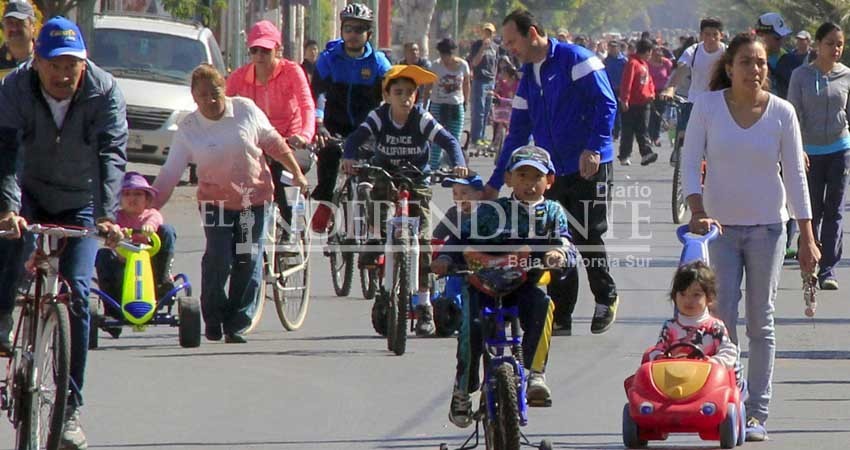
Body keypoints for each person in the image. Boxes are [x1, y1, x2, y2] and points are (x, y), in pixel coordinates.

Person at [681, 33, 820, 442]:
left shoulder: (782, 113)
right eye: (746, 62)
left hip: (768, 229)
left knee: (761, 320)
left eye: (760, 63)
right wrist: (697, 210)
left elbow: (795, 175)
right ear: (729, 67)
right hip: (719, 229)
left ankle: (757, 411)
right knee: (723, 320)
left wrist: (807, 236)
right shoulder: (707, 107)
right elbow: (690, 161)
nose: (755, 69)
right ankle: (729, 401)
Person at [0, 16, 127, 449]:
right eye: (54, 63)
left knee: (76, 291)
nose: (63, 73)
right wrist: (10, 209)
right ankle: (3, 320)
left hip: (84, 200)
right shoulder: (15, 88)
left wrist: (108, 216)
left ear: (84, 64)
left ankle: (69, 408)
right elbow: (6, 152)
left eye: (72, 63)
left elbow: (112, 153)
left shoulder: (105, 91)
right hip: (29, 191)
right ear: (36, 62)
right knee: (11, 247)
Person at [152, 64, 308, 344]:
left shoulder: (245, 110)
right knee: (219, 257)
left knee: (246, 258)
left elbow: (273, 142)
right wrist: (150, 206)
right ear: (194, 97)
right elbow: (170, 173)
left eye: (215, 94)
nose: (210, 101)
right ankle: (213, 317)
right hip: (215, 202)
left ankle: (236, 322)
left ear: (224, 89)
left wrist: (295, 171)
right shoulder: (189, 129)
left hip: (254, 199)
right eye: (202, 96)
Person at [491, 9, 619, 336]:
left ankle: (605, 296)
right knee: (557, 238)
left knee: (587, 233)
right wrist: (495, 182)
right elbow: (517, 133)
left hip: (589, 163)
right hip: (553, 170)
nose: (510, 49)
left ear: (532, 33)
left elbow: (606, 104)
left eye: (512, 41)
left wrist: (593, 147)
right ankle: (561, 313)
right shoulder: (528, 76)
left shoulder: (575, 59)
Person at [432, 146, 575, 425]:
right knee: (471, 327)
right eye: (522, 175)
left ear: (550, 181)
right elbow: (460, 240)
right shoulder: (491, 211)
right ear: (509, 179)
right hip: (482, 285)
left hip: (522, 285)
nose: (529, 184)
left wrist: (558, 255)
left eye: (536, 177)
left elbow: (565, 242)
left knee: (543, 305)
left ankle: (535, 374)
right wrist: (446, 258)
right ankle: (464, 389)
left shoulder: (553, 213)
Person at [341, 64, 467, 336]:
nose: (405, 98)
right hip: (385, 175)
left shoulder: (421, 118)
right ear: (387, 95)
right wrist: (348, 157)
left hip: (416, 180)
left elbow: (449, 141)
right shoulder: (379, 116)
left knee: (421, 243)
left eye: (410, 93)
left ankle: (423, 306)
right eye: (398, 92)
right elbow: (355, 139)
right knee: (378, 207)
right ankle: (375, 241)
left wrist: (458, 163)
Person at [225, 20, 315, 244]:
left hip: (291, 142)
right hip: (257, 144)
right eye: (254, 50)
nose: (259, 56)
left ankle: (288, 228)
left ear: (278, 50)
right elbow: (222, 108)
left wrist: (304, 135)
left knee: (280, 175)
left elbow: (306, 105)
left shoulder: (292, 71)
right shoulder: (239, 77)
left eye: (265, 50)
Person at [309, 3, 391, 233]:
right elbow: (319, 94)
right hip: (335, 124)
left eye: (359, 29)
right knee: (329, 155)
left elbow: (389, 95)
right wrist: (319, 124)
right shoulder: (328, 59)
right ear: (342, 31)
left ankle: (378, 224)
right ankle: (326, 204)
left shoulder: (378, 62)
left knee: (376, 169)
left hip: (367, 127)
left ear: (369, 34)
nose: (353, 34)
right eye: (348, 29)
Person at [788, 22, 850, 291]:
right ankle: (808, 263)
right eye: (830, 43)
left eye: (840, 44)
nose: (836, 49)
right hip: (809, 152)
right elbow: (792, 115)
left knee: (835, 210)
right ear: (817, 45)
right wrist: (794, 149)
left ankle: (828, 269)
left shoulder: (846, 75)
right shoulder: (801, 76)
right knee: (811, 210)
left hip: (840, 148)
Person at [94, 172, 178, 317]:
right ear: (119, 199)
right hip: (123, 265)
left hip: (151, 266)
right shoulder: (117, 218)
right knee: (103, 255)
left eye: (138, 194)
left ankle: (163, 281)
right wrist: (113, 230)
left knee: (168, 230)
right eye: (127, 194)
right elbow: (106, 227)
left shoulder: (151, 214)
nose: (132, 198)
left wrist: (149, 227)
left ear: (147, 199)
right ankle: (111, 307)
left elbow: (155, 221)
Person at [645, 261, 738, 368]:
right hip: (674, 377)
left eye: (696, 295)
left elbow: (729, 352)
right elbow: (658, 349)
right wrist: (660, 357)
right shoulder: (670, 327)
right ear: (674, 296)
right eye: (683, 294)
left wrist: (712, 362)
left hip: (707, 380)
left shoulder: (715, 327)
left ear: (709, 298)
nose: (688, 300)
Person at [661, 18, 725, 137]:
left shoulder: (727, 53)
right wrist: (671, 89)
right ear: (701, 36)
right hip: (696, 101)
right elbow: (682, 70)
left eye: (715, 35)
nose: (711, 39)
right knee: (684, 135)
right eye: (707, 34)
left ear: (721, 35)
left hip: (720, 102)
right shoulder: (693, 51)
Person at [427, 38, 470, 171]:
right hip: (437, 105)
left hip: (456, 105)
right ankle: (433, 168)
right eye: (442, 55)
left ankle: (456, 167)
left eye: (447, 54)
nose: (445, 58)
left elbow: (466, 83)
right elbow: (429, 85)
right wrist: (425, 103)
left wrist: (465, 102)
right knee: (436, 137)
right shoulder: (435, 66)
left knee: (454, 139)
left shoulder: (463, 65)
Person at [618, 39, 658, 166]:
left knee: (643, 130)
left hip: (644, 102)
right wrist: (624, 99)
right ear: (646, 51)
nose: (650, 56)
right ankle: (624, 155)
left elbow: (649, 81)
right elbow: (626, 82)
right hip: (632, 103)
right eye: (650, 52)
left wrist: (652, 93)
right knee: (628, 131)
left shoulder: (644, 64)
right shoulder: (633, 63)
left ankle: (646, 154)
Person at [467, 22, 500, 149]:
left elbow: (496, 64)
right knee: (479, 111)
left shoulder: (495, 47)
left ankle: (482, 136)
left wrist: (496, 80)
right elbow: (474, 62)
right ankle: (476, 138)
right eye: (485, 31)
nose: (487, 34)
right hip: (480, 80)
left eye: (490, 32)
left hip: (490, 81)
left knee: (487, 111)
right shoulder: (477, 45)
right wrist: (482, 48)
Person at [755, 12, 793, 97]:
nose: (781, 42)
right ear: (761, 35)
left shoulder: (790, 60)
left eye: (783, 38)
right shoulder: (748, 60)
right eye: (777, 38)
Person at [490, 56, 519, 161]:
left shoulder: (517, 84)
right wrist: (493, 94)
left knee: (511, 130)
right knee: (498, 125)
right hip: (503, 109)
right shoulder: (502, 83)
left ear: (510, 75)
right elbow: (496, 92)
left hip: (512, 108)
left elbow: (517, 97)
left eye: (504, 74)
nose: (502, 76)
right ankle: (497, 144)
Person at [775, 30, 816, 99]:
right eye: (798, 39)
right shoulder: (787, 57)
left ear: (809, 41)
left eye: (802, 40)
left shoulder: (813, 57)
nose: (799, 42)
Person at [0, 0, 35, 78]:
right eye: (9, 22)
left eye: (20, 22)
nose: (14, 28)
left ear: (32, 26)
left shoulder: (46, 58)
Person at [648, 45, 673, 146]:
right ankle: (650, 136)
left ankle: (656, 136)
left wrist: (670, 90)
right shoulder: (647, 63)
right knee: (650, 115)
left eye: (659, 54)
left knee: (659, 114)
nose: (657, 56)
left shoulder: (666, 63)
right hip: (650, 92)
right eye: (655, 54)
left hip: (663, 92)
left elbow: (672, 76)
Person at [604, 40, 627, 140]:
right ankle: (611, 130)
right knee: (610, 110)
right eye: (610, 47)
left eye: (614, 47)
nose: (612, 49)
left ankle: (617, 131)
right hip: (609, 88)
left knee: (619, 111)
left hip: (620, 88)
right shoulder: (606, 61)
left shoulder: (623, 61)